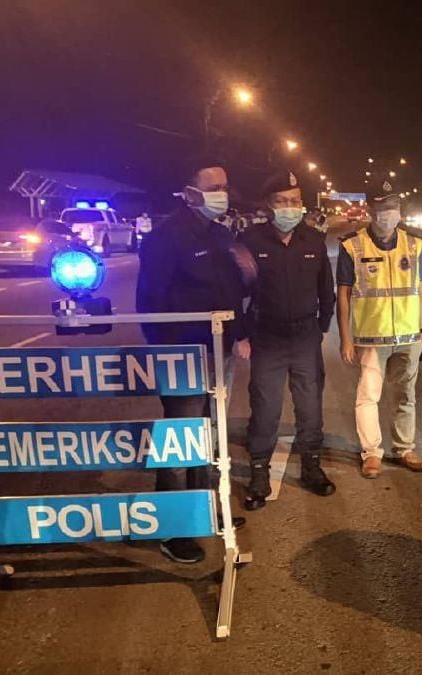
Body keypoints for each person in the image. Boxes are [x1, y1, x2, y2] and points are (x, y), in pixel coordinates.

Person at [136, 157, 250, 565]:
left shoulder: (220, 235)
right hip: (183, 354)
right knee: (179, 440)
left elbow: (230, 290)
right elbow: (149, 304)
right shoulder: (166, 238)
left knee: (209, 437)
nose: (223, 193)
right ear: (190, 194)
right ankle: (172, 527)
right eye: (214, 186)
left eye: (225, 185)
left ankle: (203, 510)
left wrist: (239, 333)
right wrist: (168, 354)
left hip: (219, 352)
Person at [238, 171, 336, 509]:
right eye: (281, 201)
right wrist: (241, 335)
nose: (289, 207)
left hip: (306, 335)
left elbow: (327, 289)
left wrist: (322, 326)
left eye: (294, 201)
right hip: (267, 337)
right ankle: (259, 475)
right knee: (265, 410)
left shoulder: (314, 240)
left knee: (310, 408)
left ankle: (311, 468)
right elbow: (236, 292)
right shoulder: (251, 242)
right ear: (269, 205)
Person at [336, 178, 422, 479]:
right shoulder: (352, 246)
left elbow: (421, 290)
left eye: (391, 208)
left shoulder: (413, 245)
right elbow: (343, 295)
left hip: (408, 336)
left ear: (399, 211)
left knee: (406, 395)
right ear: (369, 210)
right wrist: (345, 338)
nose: (385, 215)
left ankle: (404, 449)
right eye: (379, 209)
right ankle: (371, 453)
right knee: (368, 396)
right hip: (371, 338)